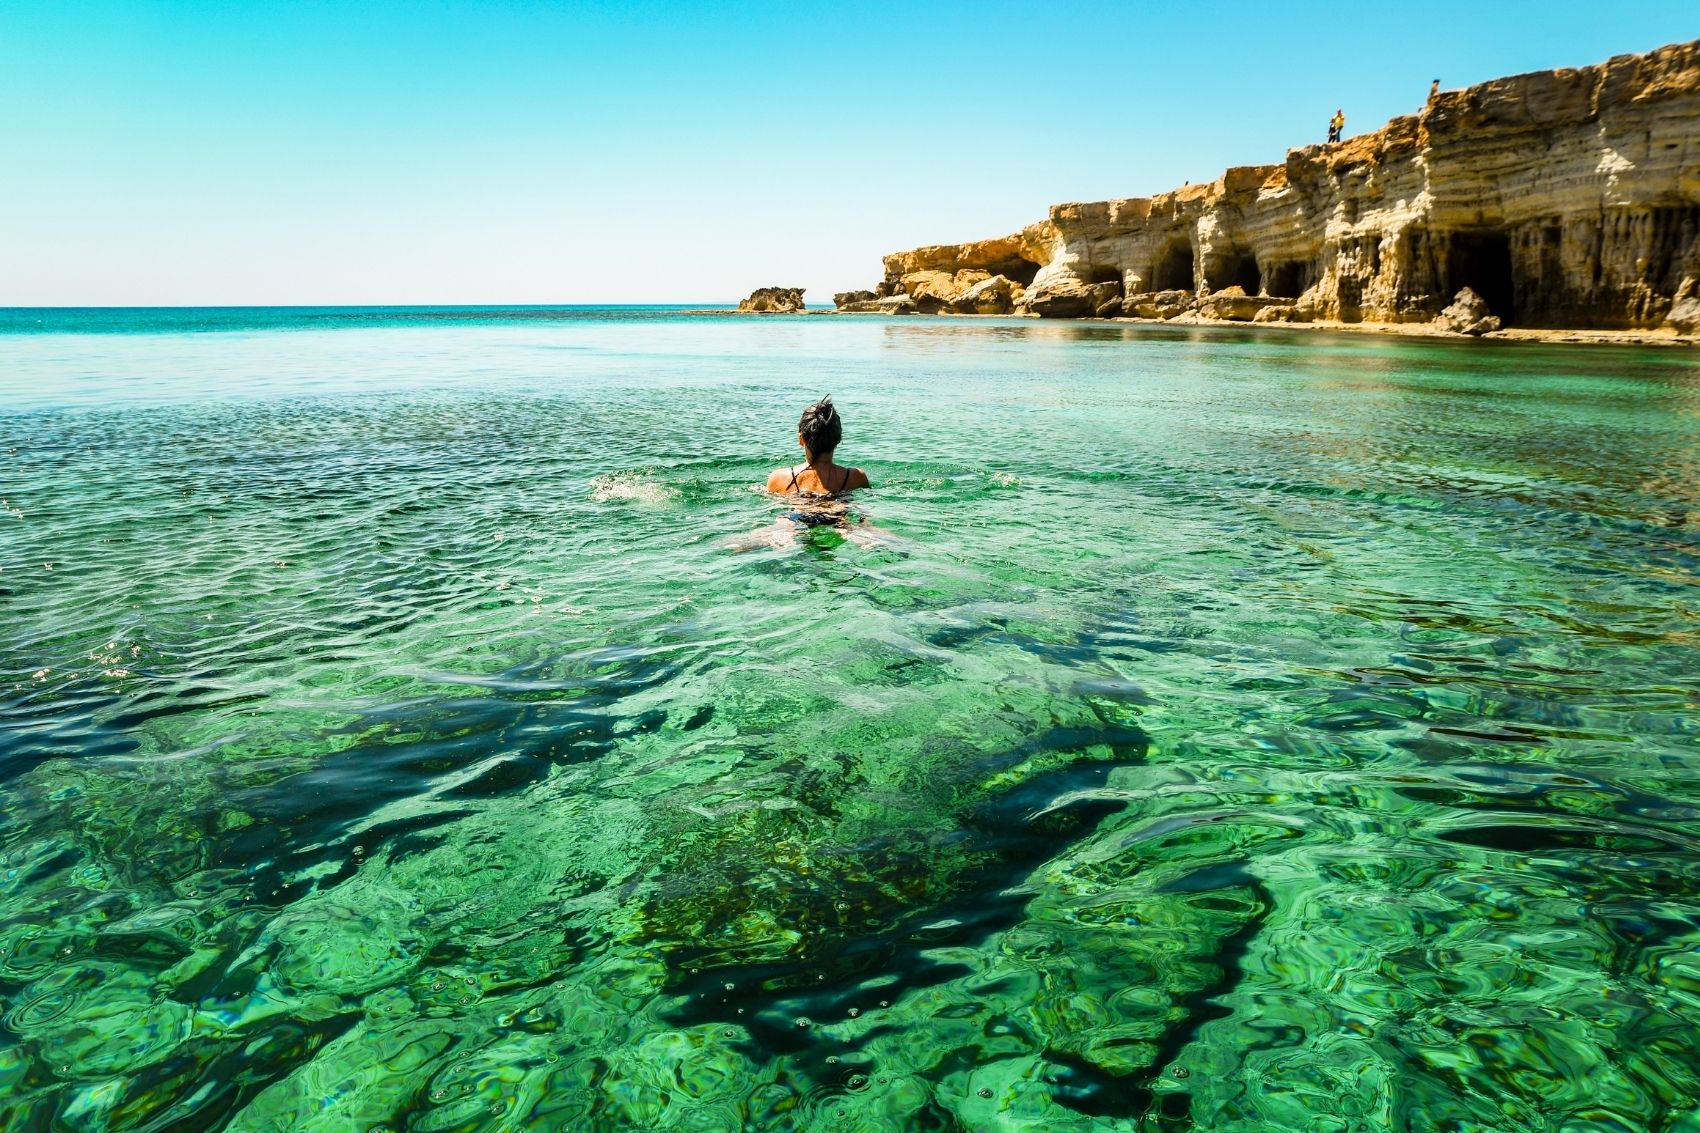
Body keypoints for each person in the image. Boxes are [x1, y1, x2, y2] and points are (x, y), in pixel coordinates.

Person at [765, 395, 870, 526]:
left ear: (801, 439)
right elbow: (865, 513)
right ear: (838, 438)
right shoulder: (856, 477)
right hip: (838, 514)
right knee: (861, 531)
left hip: (799, 513)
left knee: (782, 526)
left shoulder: (779, 478)